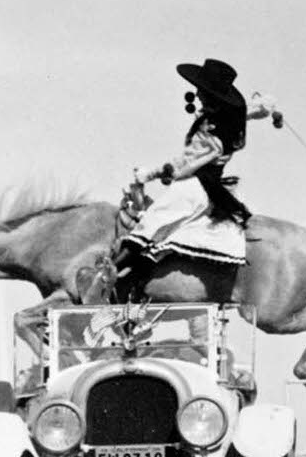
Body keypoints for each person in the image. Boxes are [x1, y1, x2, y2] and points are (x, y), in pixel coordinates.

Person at [114, 59, 279, 293]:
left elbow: (185, 162)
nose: (199, 94)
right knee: (162, 234)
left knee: (153, 221)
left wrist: (149, 173)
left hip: (196, 185)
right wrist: (265, 106)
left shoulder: (213, 134)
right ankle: (134, 283)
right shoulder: (228, 118)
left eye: (203, 90)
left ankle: (107, 273)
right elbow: (252, 110)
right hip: (207, 185)